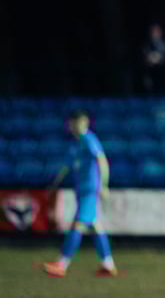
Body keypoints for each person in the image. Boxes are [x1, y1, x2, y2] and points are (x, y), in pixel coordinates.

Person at [42, 110, 117, 277]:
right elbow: (67, 167)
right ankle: (108, 264)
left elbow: (102, 160)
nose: (72, 125)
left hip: (90, 189)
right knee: (95, 226)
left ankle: (62, 264)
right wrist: (54, 185)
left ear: (84, 122)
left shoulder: (89, 139)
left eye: (75, 122)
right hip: (81, 190)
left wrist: (104, 185)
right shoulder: (75, 144)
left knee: (78, 224)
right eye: (71, 122)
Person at [141, 21, 165, 94]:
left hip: (164, 76)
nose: (155, 33)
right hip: (152, 76)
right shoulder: (146, 45)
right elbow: (146, 59)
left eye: (157, 31)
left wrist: (157, 58)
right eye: (153, 31)